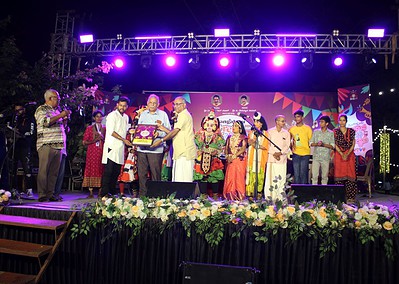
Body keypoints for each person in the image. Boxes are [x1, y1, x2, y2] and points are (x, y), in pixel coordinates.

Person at [34, 89, 70, 202]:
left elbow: (63, 128)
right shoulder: (41, 109)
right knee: (44, 170)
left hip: (59, 145)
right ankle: (42, 194)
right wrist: (61, 115)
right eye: (56, 98)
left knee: (54, 173)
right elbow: (45, 122)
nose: (58, 100)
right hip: (46, 144)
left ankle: (51, 194)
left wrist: (64, 121)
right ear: (50, 98)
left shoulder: (56, 111)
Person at [152, 97, 197, 182]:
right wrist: (163, 128)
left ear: (184, 105)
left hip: (185, 152)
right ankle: (179, 195)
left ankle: (184, 195)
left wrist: (161, 141)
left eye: (178, 104)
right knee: (177, 176)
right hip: (180, 151)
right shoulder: (180, 115)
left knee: (183, 178)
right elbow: (176, 132)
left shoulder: (184, 115)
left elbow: (175, 132)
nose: (175, 106)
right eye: (174, 104)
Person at [136, 94, 171, 196]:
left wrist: (158, 134)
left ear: (158, 104)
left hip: (156, 149)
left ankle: (156, 196)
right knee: (142, 174)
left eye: (154, 103)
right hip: (142, 149)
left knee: (155, 174)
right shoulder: (143, 114)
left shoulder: (163, 115)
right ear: (147, 103)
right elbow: (140, 130)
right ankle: (143, 196)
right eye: (150, 102)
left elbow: (168, 132)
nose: (152, 105)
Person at [101, 96, 132, 197]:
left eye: (124, 106)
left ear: (127, 106)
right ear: (117, 105)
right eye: (121, 105)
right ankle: (104, 193)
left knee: (116, 171)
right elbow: (111, 132)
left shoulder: (126, 117)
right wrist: (124, 140)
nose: (122, 107)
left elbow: (126, 130)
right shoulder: (112, 116)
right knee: (108, 171)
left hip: (120, 148)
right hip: (111, 146)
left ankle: (112, 191)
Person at [193, 110, 225, 199]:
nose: (209, 127)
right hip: (202, 158)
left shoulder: (218, 136)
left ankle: (215, 194)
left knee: (214, 176)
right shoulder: (200, 135)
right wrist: (198, 150)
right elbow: (195, 144)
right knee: (202, 176)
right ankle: (203, 194)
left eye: (212, 125)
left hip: (213, 158)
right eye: (208, 125)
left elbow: (221, 146)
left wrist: (217, 152)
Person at [10, 103, 35, 198]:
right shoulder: (15, 119)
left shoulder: (29, 119)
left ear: (23, 109)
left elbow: (31, 132)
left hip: (25, 145)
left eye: (19, 110)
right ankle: (14, 189)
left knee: (27, 168)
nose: (18, 113)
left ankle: (29, 190)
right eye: (16, 111)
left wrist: (21, 133)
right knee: (13, 168)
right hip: (15, 145)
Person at [263, 115, 291, 201]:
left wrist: (280, 153)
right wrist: (274, 153)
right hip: (272, 159)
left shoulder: (286, 133)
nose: (283, 123)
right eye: (282, 121)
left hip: (282, 160)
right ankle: (269, 197)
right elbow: (267, 145)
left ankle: (280, 198)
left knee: (281, 179)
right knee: (270, 179)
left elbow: (287, 145)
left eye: (284, 121)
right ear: (277, 122)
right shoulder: (270, 132)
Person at [82, 110, 106, 198]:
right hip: (92, 152)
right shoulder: (89, 128)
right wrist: (94, 140)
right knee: (91, 169)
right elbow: (84, 142)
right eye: (97, 116)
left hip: (102, 152)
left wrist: (102, 138)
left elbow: (108, 141)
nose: (99, 118)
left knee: (101, 170)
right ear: (94, 118)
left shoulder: (105, 128)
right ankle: (91, 192)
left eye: (100, 116)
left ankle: (100, 191)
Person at [333, 114, 357, 203]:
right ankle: (340, 197)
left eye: (343, 120)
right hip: (339, 155)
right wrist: (341, 153)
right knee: (339, 175)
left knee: (350, 175)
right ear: (338, 121)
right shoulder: (335, 132)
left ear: (346, 121)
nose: (342, 122)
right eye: (340, 120)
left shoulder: (351, 131)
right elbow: (334, 143)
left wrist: (347, 153)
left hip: (350, 155)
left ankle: (350, 197)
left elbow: (353, 143)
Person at [246, 112, 269, 198]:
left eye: (257, 121)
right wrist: (251, 142)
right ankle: (250, 194)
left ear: (261, 123)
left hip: (260, 157)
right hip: (252, 157)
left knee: (260, 175)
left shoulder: (265, 134)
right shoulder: (251, 132)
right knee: (251, 174)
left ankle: (259, 193)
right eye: (255, 121)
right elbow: (249, 142)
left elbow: (265, 146)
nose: (255, 123)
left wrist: (256, 144)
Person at [223, 120, 248, 200]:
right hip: (230, 160)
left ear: (240, 128)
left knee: (239, 178)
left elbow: (243, 148)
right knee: (230, 177)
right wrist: (227, 156)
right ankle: (229, 196)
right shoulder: (229, 137)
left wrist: (235, 156)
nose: (234, 127)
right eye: (233, 126)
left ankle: (239, 196)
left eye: (236, 126)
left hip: (240, 160)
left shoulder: (243, 137)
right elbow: (226, 148)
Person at [289, 110, 312, 184]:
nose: (296, 119)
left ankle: (303, 192)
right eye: (295, 117)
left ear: (302, 117)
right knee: (296, 174)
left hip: (305, 154)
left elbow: (311, 141)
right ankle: (296, 193)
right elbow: (288, 140)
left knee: (303, 174)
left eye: (298, 117)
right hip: (296, 153)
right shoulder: (292, 129)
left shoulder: (307, 128)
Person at [310, 116, 335, 185]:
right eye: (320, 122)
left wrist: (323, 145)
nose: (320, 123)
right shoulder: (316, 132)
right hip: (316, 157)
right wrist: (317, 144)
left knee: (324, 177)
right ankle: (314, 192)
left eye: (322, 122)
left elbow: (332, 146)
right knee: (314, 176)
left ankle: (324, 192)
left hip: (325, 157)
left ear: (327, 123)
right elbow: (311, 143)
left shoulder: (331, 133)